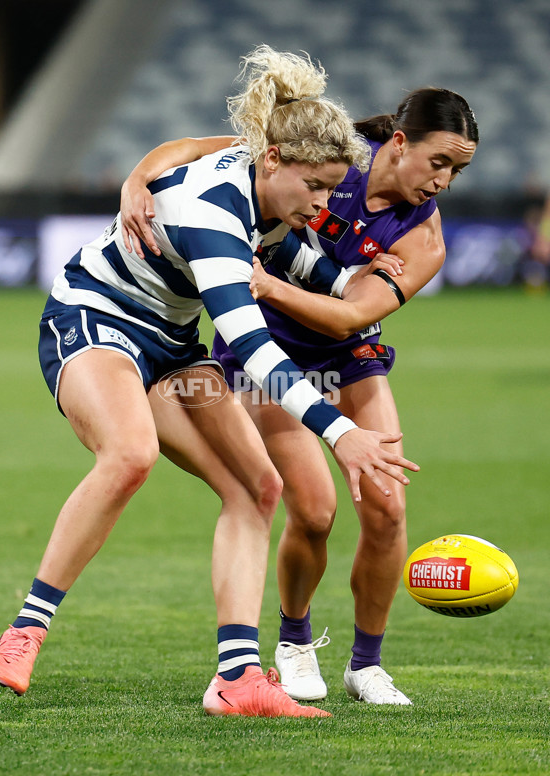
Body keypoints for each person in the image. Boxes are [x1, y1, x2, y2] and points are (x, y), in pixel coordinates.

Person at [0, 45, 420, 719]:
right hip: (96, 316)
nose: (322, 203)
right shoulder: (213, 215)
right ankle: (26, 629)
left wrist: (347, 282)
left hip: (171, 343)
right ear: (274, 160)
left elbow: (282, 247)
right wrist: (342, 432)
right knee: (130, 454)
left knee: (259, 486)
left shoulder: (266, 176)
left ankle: (237, 679)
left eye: (331, 188)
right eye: (315, 186)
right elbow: (252, 347)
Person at [119, 86, 479, 705]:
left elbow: (350, 317)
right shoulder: (333, 152)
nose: (443, 181)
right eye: (439, 162)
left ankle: (366, 665)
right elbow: (200, 149)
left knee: (388, 508)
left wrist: (269, 284)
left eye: (457, 171)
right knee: (313, 510)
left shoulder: (424, 238)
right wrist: (136, 181)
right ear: (399, 143)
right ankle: (294, 640)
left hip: (345, 352)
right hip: (264, 348)